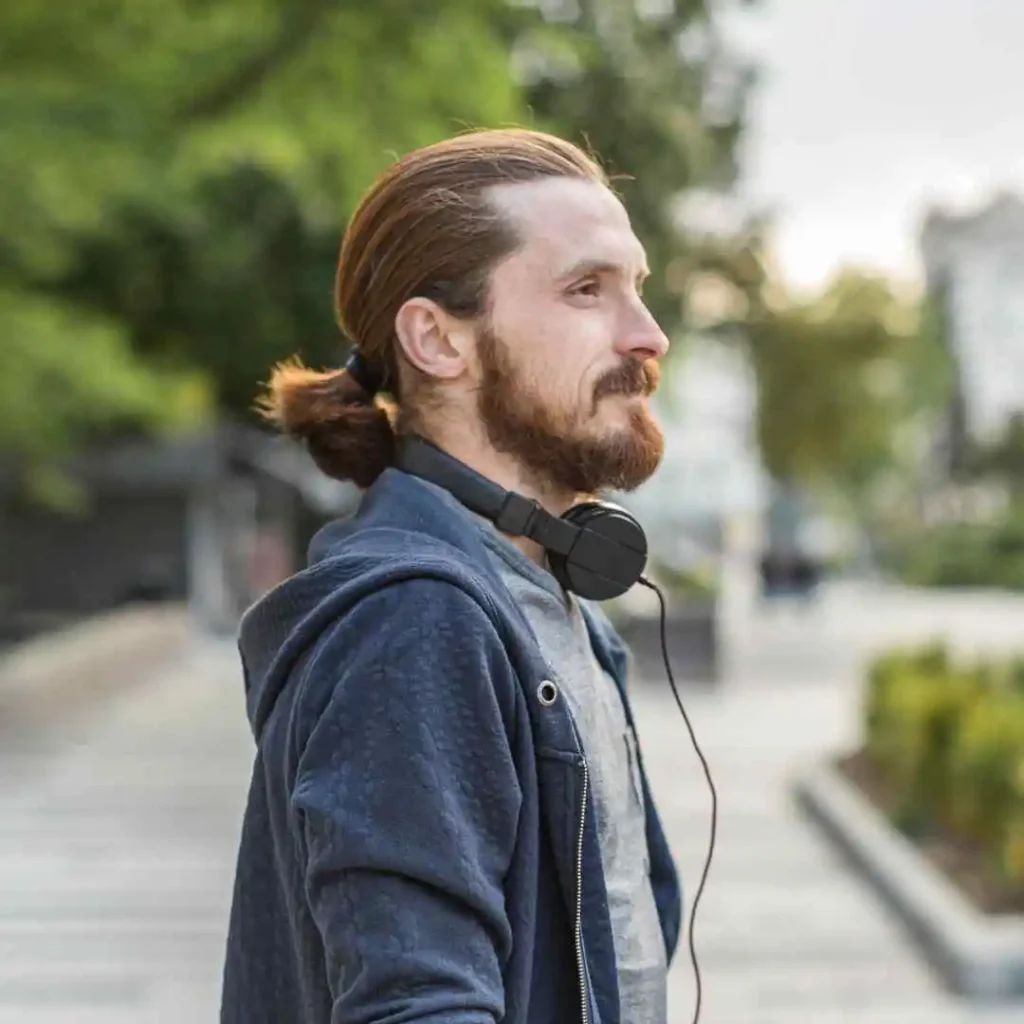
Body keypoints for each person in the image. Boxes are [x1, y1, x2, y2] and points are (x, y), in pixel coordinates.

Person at [221, 127, 681, 1024]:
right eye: (587, 290)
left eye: (639, 290)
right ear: (437, 339)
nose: (648, 335)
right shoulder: (416, 619)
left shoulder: (548, 595)